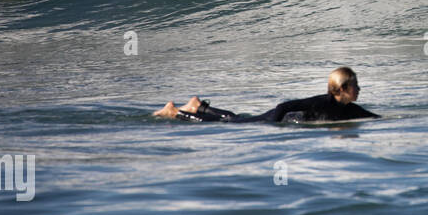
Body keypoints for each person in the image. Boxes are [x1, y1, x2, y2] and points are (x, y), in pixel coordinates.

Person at [154, 67, 380, 122]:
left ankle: (199, 105)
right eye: (355, 85)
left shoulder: (349, 108)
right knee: (232, 123)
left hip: (279, 120)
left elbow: (373, 118)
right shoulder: (322, 102)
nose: (359, 89)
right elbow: (284, 106)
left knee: (233, 118)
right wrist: (272, 128)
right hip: (274, 118)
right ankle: (175, 112)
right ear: (341, 89)